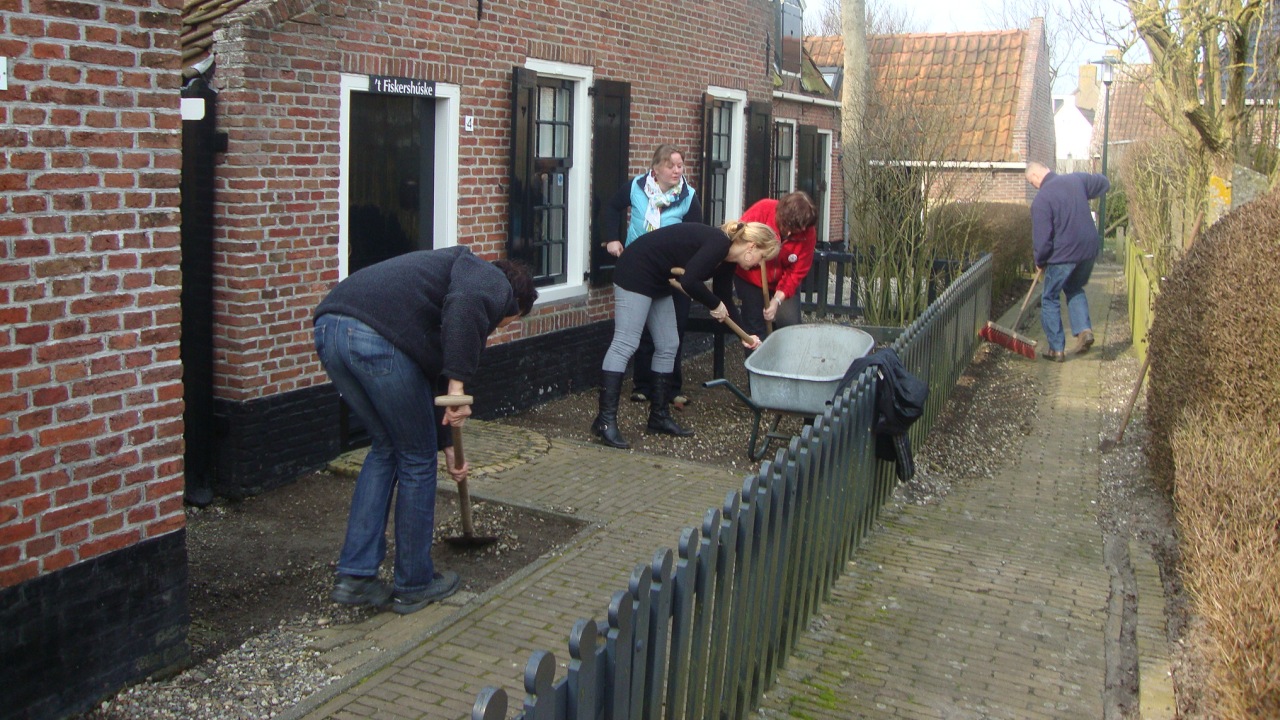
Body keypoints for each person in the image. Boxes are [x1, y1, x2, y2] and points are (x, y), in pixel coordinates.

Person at [313, 246, 537, 614]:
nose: (502, 327)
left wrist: (447, 445)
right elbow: (467, 306)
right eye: (511, 320)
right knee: (416, 459)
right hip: (375, 338)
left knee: (386, 448)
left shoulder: (439, 290)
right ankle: (415, 582)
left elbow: (430, 376)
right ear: (515, 304)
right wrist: (458, 387)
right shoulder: (491, 279)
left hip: (330, 329)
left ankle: (355, 577)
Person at [592, 221, 780, 449]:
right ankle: (604, 421)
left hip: (657, 278)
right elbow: (690, 280)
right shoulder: (720, 243)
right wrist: (713, 304)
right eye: (762, 257)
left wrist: (744, 334)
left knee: (668, 344)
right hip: (635, 271)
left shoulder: (727, 259)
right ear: (751, 246)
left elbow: (723, 297)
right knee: (625, 343)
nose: (760, 264)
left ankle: (659, 417)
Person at [599, 144, 704, 405]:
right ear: (655, 168)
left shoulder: (688, 196)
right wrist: (612, 238)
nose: (677, 171)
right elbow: (611, 207)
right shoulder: (636, 187)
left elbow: (695, 235)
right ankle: (643, 385)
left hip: (673, 274)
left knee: (673, 332)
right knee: (642, 330)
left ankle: (671, 389)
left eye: (680, 166)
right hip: (639, 270)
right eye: (671, 166)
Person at [1025, 161, 1109, 362]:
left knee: (1050, 297)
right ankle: (1084, 330)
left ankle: (1056, 349)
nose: (1034, 186)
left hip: (1064, 255)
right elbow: (1103, 183)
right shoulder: (1075, 180)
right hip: (1089, 250)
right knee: (1074, 287)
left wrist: (1040, 260)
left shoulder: (1041, 199)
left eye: (1032, 183)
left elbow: (1042, 238)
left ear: (1035, 177)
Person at [733, 191, 818, 346]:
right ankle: (758, 360)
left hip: (783, 282)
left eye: (799, 230)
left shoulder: (808, 233)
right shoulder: (763, 210)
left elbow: (796, 272)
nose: (791, 233)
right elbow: (738, 238)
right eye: (790, 228)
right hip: (751, 277)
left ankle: (785, 360)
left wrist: (777, 300)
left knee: (790, 324)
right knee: (754, 325)